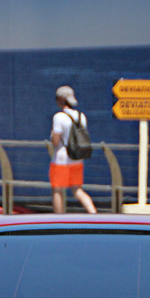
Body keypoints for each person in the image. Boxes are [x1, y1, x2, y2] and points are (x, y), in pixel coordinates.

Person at [49, 85, 97, 214]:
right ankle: (93, 213)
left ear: (61, 99)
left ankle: (58, 219)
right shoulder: (81, 116)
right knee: (77, 190)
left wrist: (53, 133)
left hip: (61, 159)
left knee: (58, 190)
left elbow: (56, 141)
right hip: (77, 158)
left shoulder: (58, 117)